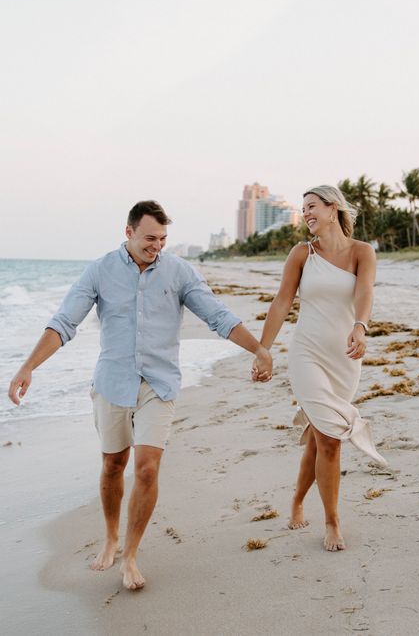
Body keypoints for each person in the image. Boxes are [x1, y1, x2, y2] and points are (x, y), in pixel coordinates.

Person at [8, 200, 272, 590]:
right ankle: (111, 537)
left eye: (163, 239)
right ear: (128, 232)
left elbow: (218, 316)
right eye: (150, 238)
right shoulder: (100, 270)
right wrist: (29, 366)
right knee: (114, 465)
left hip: (159, 383)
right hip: (113, 381)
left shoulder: (180, 271)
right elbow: (65, 323)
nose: (157, 246)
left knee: (147, 467)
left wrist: (259, 349)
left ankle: (130, 555)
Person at [255, 185, 386, 552]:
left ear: (333, 209)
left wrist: (360, 326)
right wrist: (263, 349)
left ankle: (297, 500)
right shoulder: (302, 253)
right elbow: (282, 302)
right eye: (303, 208)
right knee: (329, 439)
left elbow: (365, 293)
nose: (306, 213)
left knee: (317, 438)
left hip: (344, 358)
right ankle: (332, 521)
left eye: (312, 206)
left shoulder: (363, 252)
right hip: (307, 354)